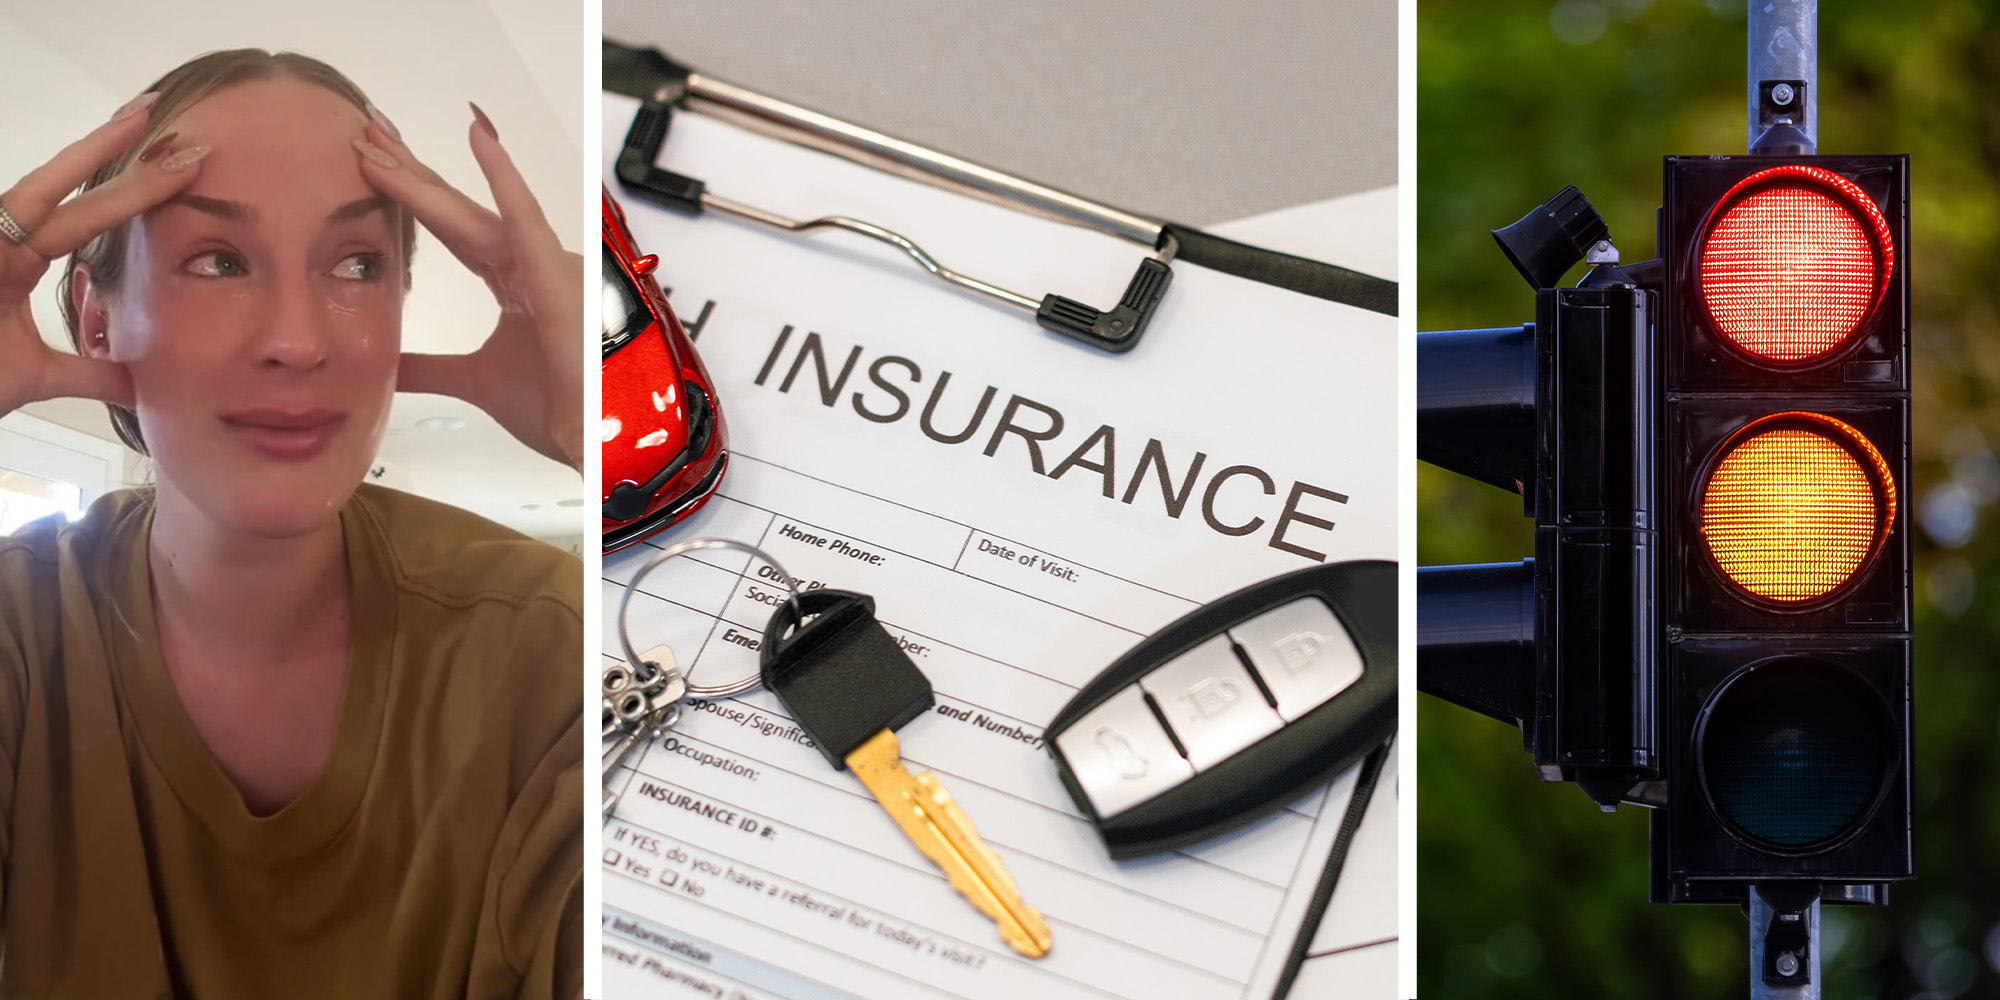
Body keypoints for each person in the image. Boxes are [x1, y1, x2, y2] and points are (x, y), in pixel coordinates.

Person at [0, 50, 583, 997]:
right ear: (97, 319)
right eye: (218, 260)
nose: (298, 342)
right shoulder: (21, 630)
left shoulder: (549, 638)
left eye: (358, 263)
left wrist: (594, 438)